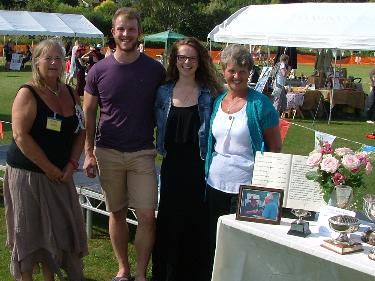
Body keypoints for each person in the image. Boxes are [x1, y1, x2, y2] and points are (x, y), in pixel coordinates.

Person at [83, 7, 165, 281]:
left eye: (131, 29)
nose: (126, 34)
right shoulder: (98, 70)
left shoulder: (155, 70)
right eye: (121, 29)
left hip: (143, 152)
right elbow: (89, 114)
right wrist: (88, 153)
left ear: (139, 32)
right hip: (107, 152)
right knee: (116, 212)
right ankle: (123, 270)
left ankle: (141, 274)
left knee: (147, 216)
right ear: (113, 32)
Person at [3, 38, 87, 281]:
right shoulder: (27, 93)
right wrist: (49, 168)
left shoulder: (70, 92)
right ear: (36, 61)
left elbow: (81, 129)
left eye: (58, 58)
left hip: (61, 175)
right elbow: (20, 136)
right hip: (28, 175)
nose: (53, 62)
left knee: (60, 231)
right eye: (47, 58)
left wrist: (72, 164)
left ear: (64, 62)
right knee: (29, 233)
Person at [205, 44, 281, 274]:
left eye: (242, 71)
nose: (236, 76)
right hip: (214, 185)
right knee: (215, 243)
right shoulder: (218, 101)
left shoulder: (261, 105)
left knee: (244, 247)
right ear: (223, 71)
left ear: (249, 72)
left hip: (247, 189)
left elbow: (275, 148)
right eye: (231, 71)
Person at [153, 37, 222, 281]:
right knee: (170, 222)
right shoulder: (162, 92)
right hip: (171, 167)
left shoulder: (210, 93)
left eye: (192, 58)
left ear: (200, 61)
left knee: (196, 224)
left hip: (200, 168)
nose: (187, 62)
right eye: (182, 57)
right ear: (175, 60)